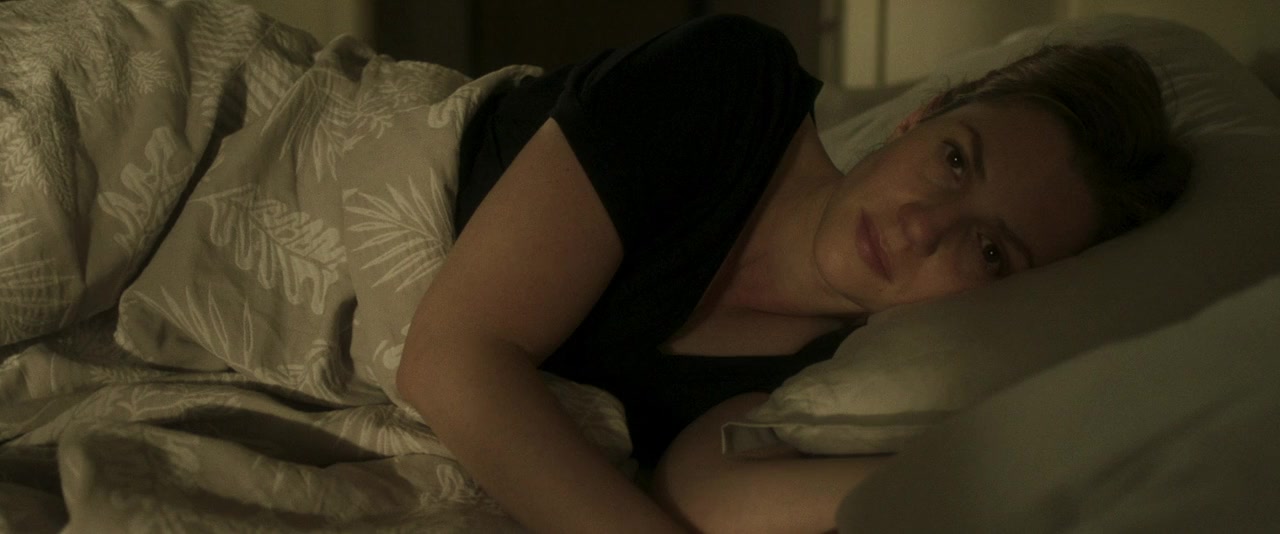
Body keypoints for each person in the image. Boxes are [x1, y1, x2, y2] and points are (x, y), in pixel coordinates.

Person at [395, 14, 1191, 533]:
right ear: (921, 116)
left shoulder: (830, 380)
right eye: (955, 160)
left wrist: (1000, 467)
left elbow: (700, 497)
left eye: (989, 251)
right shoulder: (731, 82)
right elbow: (451, 358)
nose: (924, 225)